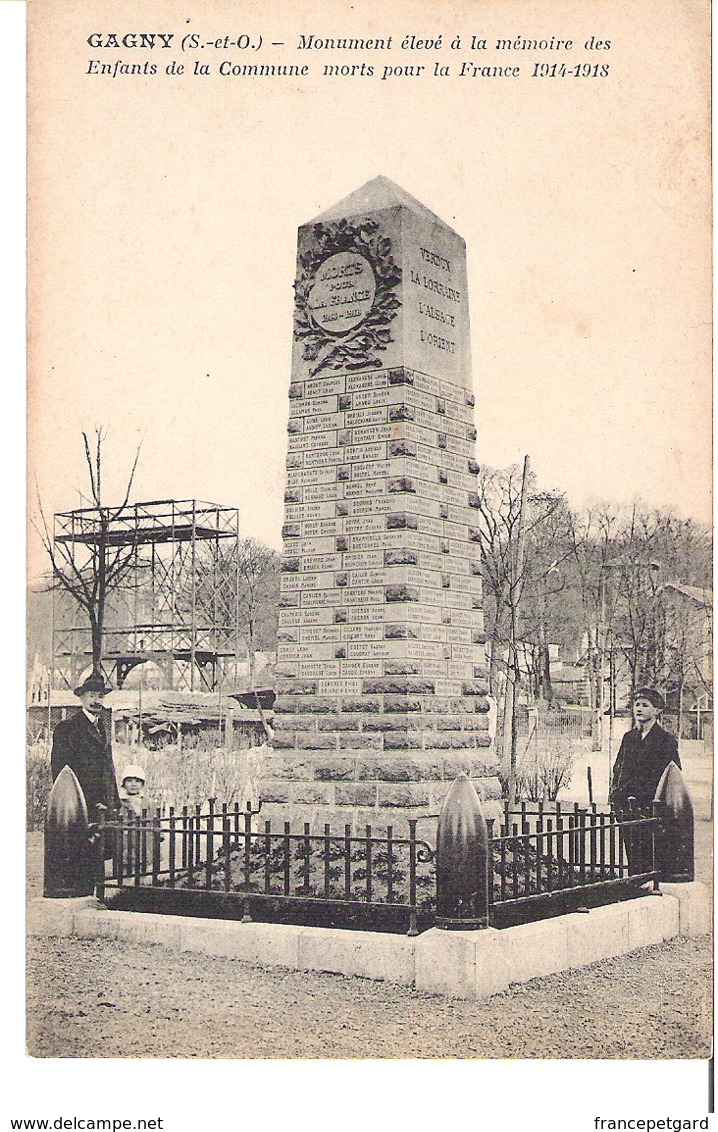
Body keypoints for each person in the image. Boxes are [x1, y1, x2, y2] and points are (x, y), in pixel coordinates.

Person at [610, 686, 681, 875]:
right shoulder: (629, 738)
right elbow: (618, 769)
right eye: (636, 705)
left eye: (645, 705)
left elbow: (673, 775)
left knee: (650, 858)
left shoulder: (666, 740)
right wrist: (615, 796)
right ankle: (635, 887)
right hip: (627, 808)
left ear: (657, 711)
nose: (639, 709)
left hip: (650, 807)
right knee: (632, 855)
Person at [51, 673, 121, 825]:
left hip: (104, 804)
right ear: (81, 698)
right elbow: (60, 771)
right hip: (80, 803)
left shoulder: (103, 727)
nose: (96, 701)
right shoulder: (68, 727)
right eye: (91, 696)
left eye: (100, 696)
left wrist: (115, 802)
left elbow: (109, 767)